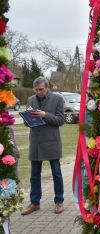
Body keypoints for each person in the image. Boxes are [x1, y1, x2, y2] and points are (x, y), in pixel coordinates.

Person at [21, 77, 65, 215]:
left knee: (56, 173)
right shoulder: (30, 100)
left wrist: (45, 115)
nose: (39, 92)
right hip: (36, 142)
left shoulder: (57, 99)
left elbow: (60, 120)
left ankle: (59, 202)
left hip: (51, 142)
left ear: (47, 88)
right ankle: (35, 203)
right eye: (36, 90)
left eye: (41, 89)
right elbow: (27, 123)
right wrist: (28, 119)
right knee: (34, 175)